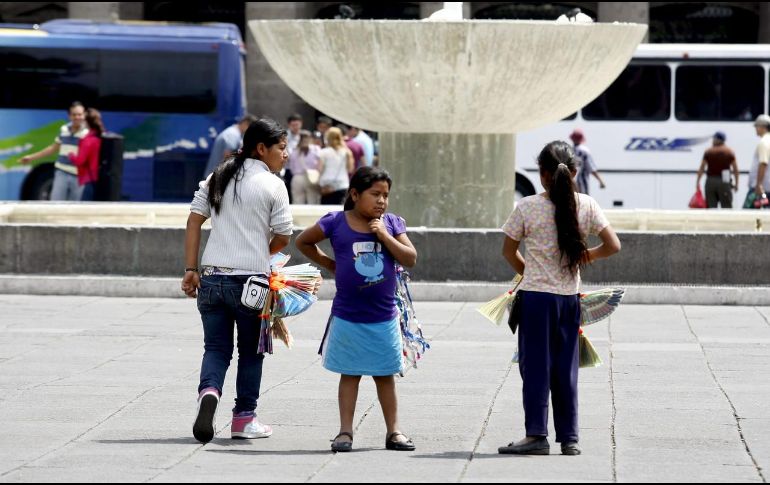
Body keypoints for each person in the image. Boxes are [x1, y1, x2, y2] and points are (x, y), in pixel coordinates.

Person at [499, 140, 620, 456]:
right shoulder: (587, 205)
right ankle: (570, 439)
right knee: (566, 369)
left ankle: (536, 435)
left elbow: (508, 251)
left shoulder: (527, 207)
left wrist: (528, 273)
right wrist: (585, 257)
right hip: (569, 300)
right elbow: (613, 245)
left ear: (542, 174)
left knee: (535, 367)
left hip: (537, 299)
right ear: (575, 172)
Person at [182, 118, 293, 443]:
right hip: (252, 285)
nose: (285, 155)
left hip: (212, 278)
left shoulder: (219, 176)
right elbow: (285, 236)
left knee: (215, 348)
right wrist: (260, 252)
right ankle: (244, 418)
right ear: (262, 148)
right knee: (250, 352)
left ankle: (209, 393)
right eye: (282, 148)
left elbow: (193, 221)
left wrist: (191, 269)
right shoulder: (273, 185)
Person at [295, 166, 418, 453]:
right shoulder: (336, 222)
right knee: (350, 374)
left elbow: (410, 258)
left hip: (383, 316)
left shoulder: (391, 223)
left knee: (385, 374)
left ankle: (394, 431)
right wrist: (330, 265)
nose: (381, 201)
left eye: (386, 195)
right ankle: (345, 431)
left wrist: (385, 236)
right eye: (375, 194)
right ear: (354, 194)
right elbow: (303, 241)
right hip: (348, 315)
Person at [21, 101, 89, 201]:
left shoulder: (87, 134)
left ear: (84, 115)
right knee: (56, 204)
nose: (77, 117)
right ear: (69, 116)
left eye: (80, 114)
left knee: (75, 208)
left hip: (78, 176)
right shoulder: (64, 129)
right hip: (62, 173)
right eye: (74, 115)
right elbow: (53, 149)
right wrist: (31, 157)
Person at [203, 114, 257, 178]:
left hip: (215, 176)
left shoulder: (233, 132)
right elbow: (227, 156)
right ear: (245, 123)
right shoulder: (233, 134)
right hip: (216, 177)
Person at [68, 108, 105, 201]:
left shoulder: (88, 140)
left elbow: (80, 161)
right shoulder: (101, 137)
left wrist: (71, 155)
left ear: (86, 122)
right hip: (99, 179)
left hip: (88, 179)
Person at [695, 131, 739, 209]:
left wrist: (698, 182)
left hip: (710, 181)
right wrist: (736, 184)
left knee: (711, 207)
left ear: (718, 140)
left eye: (714, 139)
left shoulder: (708, 151)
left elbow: (702, 168)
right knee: (726, 207)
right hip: (724, 182)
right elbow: (735, 170)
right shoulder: (729, 152)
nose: (712, 141)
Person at [318, 127, 354, 205]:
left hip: (327, 185)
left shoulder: (323, 152)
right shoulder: (347, 152)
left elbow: (320, 169)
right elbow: (350, 169)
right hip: (342, 185)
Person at [287, 129, 322, 204]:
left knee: (297, 203)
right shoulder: (316, 149)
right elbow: (320, 165)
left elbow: (291, 167)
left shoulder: (294, 151)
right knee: (313, 202)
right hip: (312, 177)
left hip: (297, 178)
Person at [569, 129, 606, 195]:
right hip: (582, 182)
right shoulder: (584, 151)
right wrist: (600, 180)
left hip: (571, 182)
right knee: (585, 202)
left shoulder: (570, 150)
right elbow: (591, 168)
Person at [745, 114, 770, 209]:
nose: (756, 128)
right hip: (766, 187)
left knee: (750, 215)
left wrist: (759, 184)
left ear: (763, 127)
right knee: (764, 217)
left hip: (760, 188)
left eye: (757, 126)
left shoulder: (764, 142)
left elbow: (763, 163)